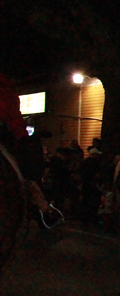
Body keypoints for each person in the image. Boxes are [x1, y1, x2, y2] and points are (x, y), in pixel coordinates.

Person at [0, 72, 61, 226]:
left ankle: (42, 206)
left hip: (4, 133)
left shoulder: (4, 84)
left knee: (23, 168)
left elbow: (11, 111)